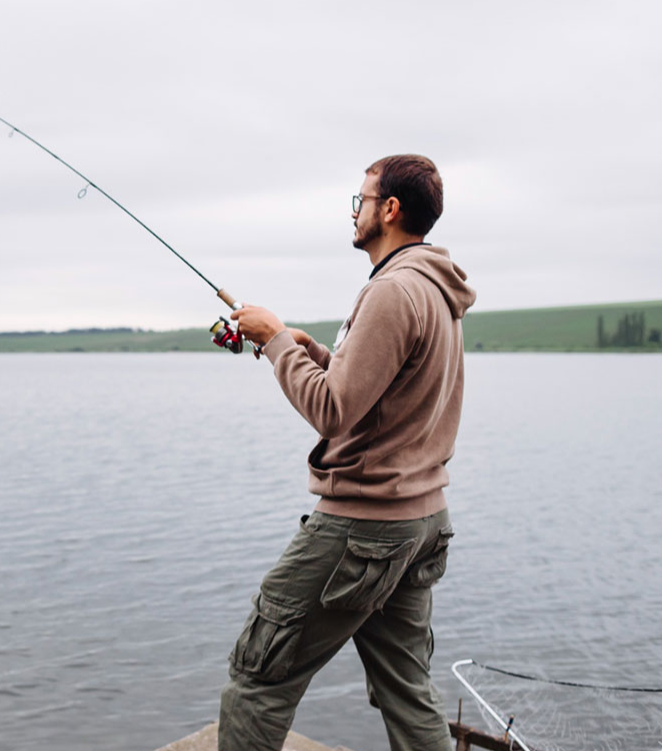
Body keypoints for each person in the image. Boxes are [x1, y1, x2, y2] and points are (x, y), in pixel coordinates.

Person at [218, 154, 476, 751]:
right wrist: (313, 354)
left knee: (257, 680)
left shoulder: (392, 291)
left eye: (360, 200)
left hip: (364, 530)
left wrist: (276, 340)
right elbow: (385, 400)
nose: (354, 211)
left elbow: (331, 413)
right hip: (421, 521)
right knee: (407, 691)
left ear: (389, 209)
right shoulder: (434, 288)